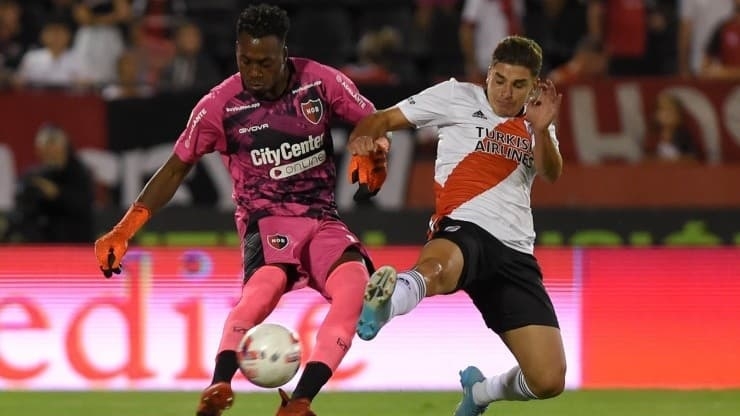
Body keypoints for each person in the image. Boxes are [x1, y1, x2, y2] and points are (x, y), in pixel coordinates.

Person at [93, 4, 386, 416]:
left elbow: (376, 119)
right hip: (266, 221)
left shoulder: (320, 81)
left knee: (355, 287)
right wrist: (124, 229)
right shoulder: (219, 106)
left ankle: (300, 402)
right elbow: (176, 168)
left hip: (322, 219)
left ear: (284, 54)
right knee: (264, 288)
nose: (254, 72)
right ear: (236, 53)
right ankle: (219, 385)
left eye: (265, 62)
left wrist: (376, 151)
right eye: (246, 61)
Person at [347, 35, 566, 416]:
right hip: (463, 226)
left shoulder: (536, 122)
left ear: (533, 85)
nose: (506, 92)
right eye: (499, 80)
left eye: (518, 85)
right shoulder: (456, 96)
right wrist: (364, 141)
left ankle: (479, 394)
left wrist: (544, 130)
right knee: (437, 269)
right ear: (489, 73)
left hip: (514, 251)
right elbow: (381, 119)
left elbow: (551, 173)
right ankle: (385, 306)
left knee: (548, 380)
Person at [2, 124, 94, 243]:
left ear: (65, 146)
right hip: (41, 242)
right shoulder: (33, 176)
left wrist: (57, 194)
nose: (49, 151)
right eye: (44, 146)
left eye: (52, 144)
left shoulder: (80, 173)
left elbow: (84, 206)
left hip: (75, 240)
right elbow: (23, 211)